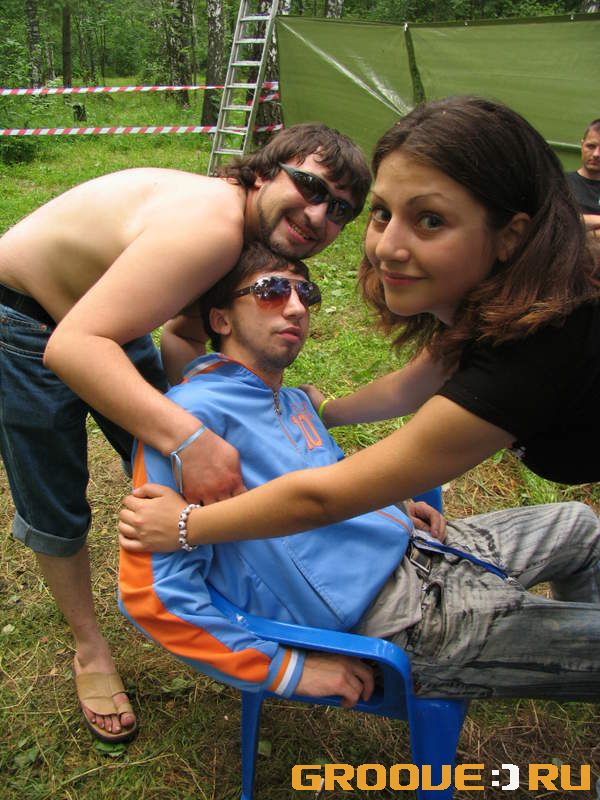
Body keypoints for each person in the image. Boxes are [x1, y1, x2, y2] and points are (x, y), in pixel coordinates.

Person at [0, 124, 370, 742]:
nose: (318, 216)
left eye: (340, 210)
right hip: (26, 323)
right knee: (55, 502)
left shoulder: (241, 233)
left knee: (171, 458)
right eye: (310, 187)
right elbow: (72, 347)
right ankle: (91, 650)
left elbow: (182, 334)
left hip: (104, 322)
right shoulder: (213, 228)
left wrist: (212, 422)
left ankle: (232, 599)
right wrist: (190, 439)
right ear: (264, 172)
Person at [119, 242, 600, 704]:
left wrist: (395, 507)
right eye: (271, 291)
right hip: (397, 621)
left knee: (578, 524)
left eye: (306, 293)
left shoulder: (293, 401)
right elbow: (152, 595)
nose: (296, 308)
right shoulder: (184, 425)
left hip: (425, 550)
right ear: (221, 319)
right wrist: (285, 669)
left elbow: (333, 475)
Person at [119, 96, 599, 555]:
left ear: (511, 236)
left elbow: (326, 498)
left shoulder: (538, 348)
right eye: (383, 213)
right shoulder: (501, 308)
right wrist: (325, 412)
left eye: (431, 220)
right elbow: (415, 382)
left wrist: (186, 526)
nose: (387, 247)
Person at [566, 118, 600, 235]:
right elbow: (557, 220)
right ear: (582, 145)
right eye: (591, 146)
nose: (596, 154)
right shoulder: (561, 183)